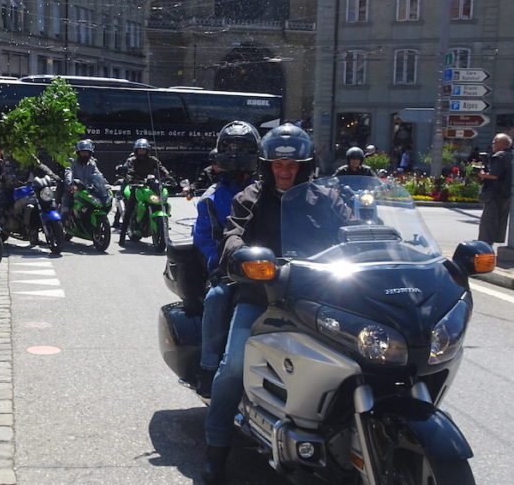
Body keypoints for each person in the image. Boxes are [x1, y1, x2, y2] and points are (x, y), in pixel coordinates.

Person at [202, 124, 354, 483]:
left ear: (304, 166)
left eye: (292, 165)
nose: (285, 171)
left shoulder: (327, 198)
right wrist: (239, 253)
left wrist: (383, 241)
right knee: (233, 365)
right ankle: (215, 449)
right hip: (263, 298)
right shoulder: (249, 198)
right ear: (267, 166)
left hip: (321, 296)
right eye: (277, 165)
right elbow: (233, 234)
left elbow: (354, 228)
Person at [192, 121, 259, 398]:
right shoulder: (212, 196)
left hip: (267, 267)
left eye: (242, 148)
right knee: (216, 298)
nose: (235, 154)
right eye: (230, 148)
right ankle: (208, 368)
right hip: (228, 270)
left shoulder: (264, 190)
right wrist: (218, 265)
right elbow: (204, 237)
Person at [119, 138, 171, 236]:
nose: (141, 152)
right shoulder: (132, 160)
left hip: (150, 185)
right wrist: (130, 178)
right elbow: (129, 171)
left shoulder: (153, 160)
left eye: (143, 150)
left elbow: (161, 168)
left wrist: (168, 176)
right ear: (136, 151)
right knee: (129, 209)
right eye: (140, 150)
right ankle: (123, 233)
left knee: (162, 198)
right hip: (136, 185)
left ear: (147, 151)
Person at [477, 133, 513, 245]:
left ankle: (484, 251)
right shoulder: (512, 155)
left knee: (487, 226)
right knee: (498, 224)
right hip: (505, 195)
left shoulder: (499, 156)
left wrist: (481, 174)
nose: (492, 144)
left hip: (494, 195)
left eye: (494, 142)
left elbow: (494, 175)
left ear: (502, 144)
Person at [63, 139, 109, 216]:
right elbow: (68, 173)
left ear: (90, 153)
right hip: (73, 190)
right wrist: (71, 184)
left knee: (98, 206)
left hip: (88, 191)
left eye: (86, 153)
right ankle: (61, 226)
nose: (84, 154)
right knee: (65, 210)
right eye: (83, 152)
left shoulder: (92, 163)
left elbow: (97, 174)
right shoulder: (72, 161)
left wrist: (104, 184)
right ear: (78, 153)